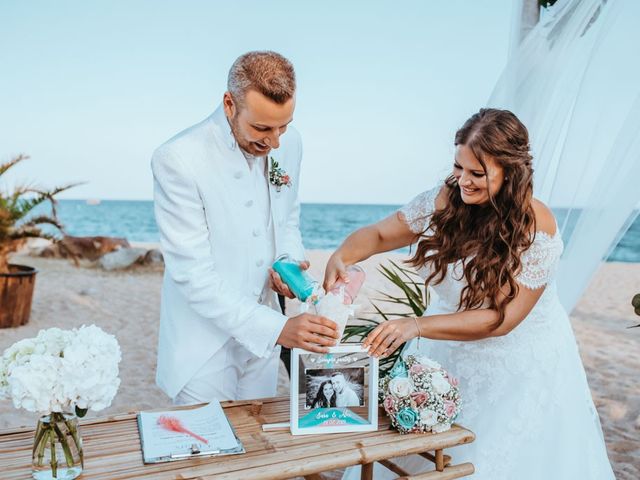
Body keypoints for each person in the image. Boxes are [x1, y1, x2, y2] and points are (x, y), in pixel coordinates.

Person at [324, 109, 614, 479]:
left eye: (478, 173)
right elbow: (382, 234)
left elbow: (501, 319)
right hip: (447, 346)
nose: (464, 181)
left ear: (512, 171)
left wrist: (414, 326)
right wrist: (342, 255)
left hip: (519, 364)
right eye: (459, 167)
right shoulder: (446, 199)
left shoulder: (536, 225)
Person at [152, 51, 339, 406]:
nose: (275, 142)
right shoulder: (178, 158)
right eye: (262, 128)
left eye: (283, 126)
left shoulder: (291, 143)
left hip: (263, 339)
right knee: (208, 454)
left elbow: (288, 219)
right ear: (228, 104)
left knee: (257, 445)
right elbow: (191, 275)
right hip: (202, 344)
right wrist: (280, 329)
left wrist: (289, 260)